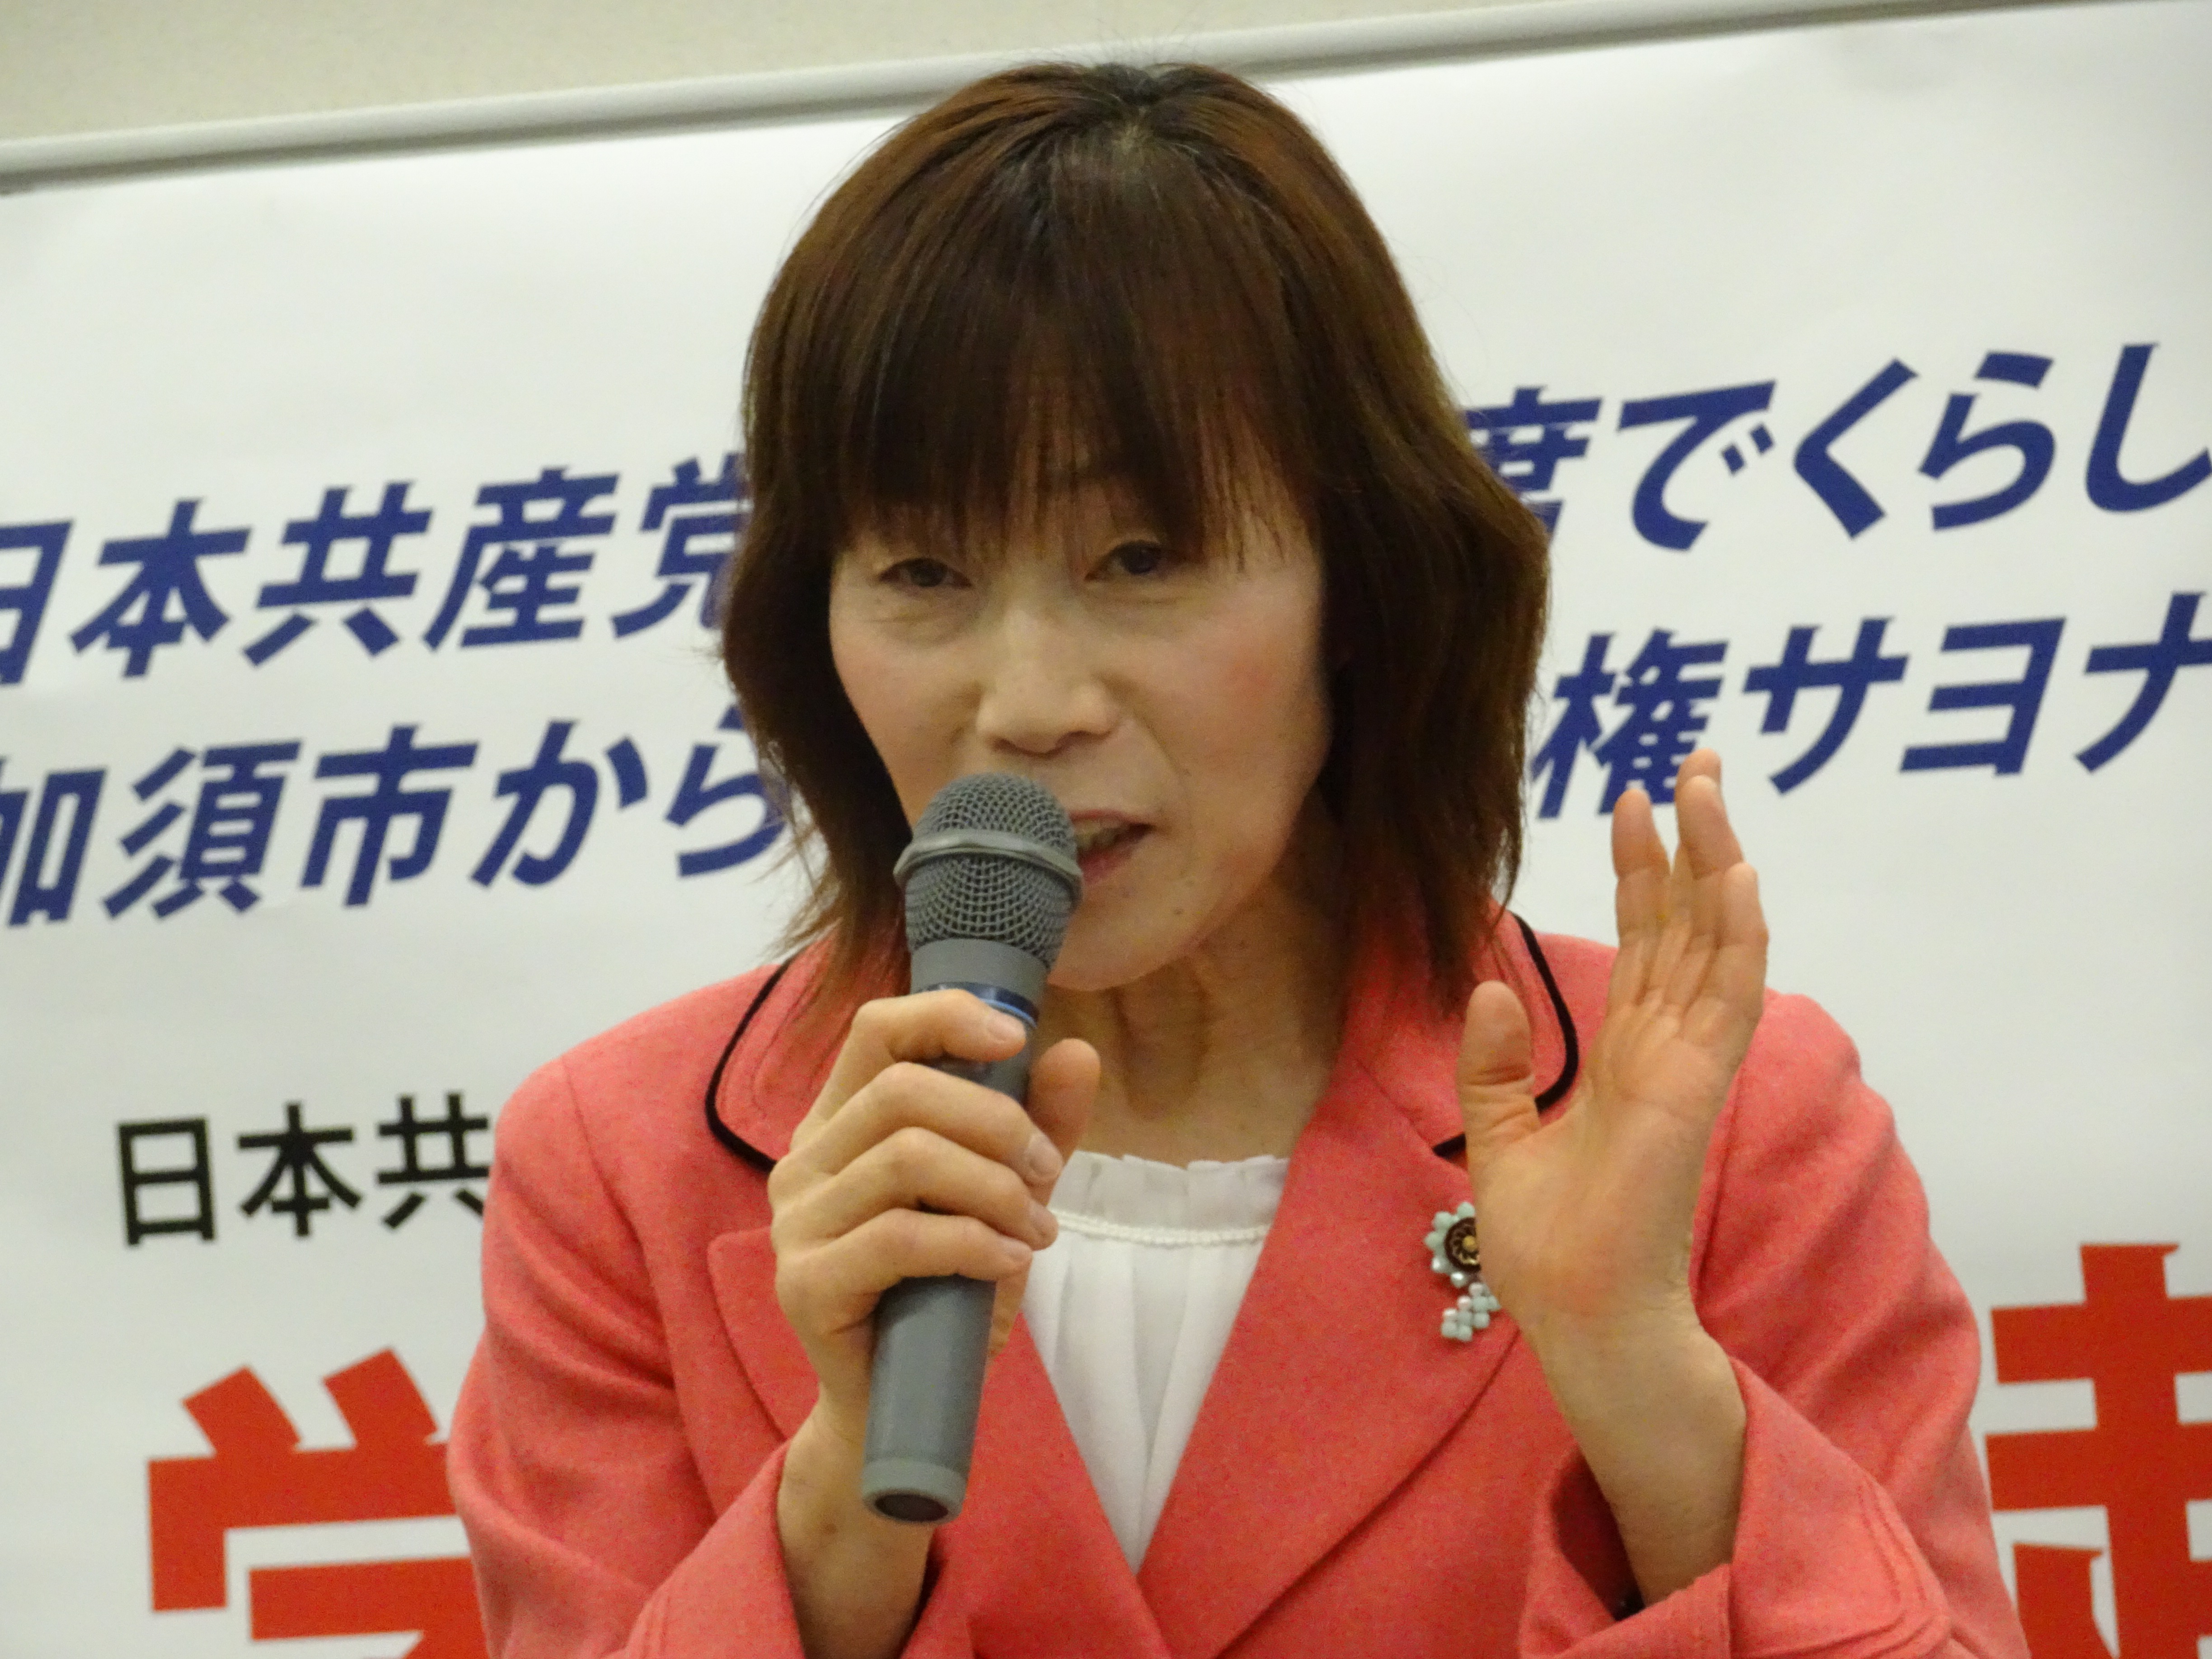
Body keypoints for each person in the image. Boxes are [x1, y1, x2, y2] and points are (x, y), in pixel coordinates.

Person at [448, 61, 2029, 1659]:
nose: (1029, 703)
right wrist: (839, 1506)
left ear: (1364, 584)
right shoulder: (627, 1167)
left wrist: (1647, 1389)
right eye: (922, 571)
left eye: (1142, 557)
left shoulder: (1723, 1126)